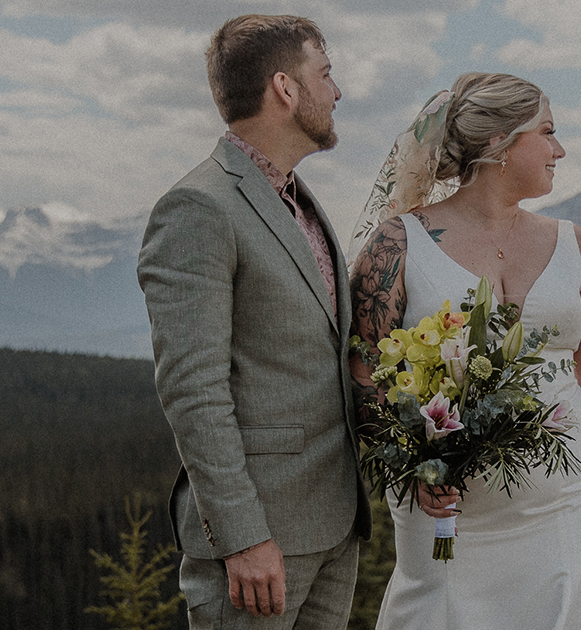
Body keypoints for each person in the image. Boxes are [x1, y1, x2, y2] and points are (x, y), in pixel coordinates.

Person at [348, 72, 581, 629]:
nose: (559, 149)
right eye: (546, 132)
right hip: (447, 515)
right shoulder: (398, 245)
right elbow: (363, 378)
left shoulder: (577, 245)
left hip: (571, 501)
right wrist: (419, 466)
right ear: (498, 143)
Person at [138, 14, 370, 629]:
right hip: (258, 546)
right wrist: (241, 537)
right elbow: (194, 390)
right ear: (285, 89)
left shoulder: (300, 200)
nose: (338, 92)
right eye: (326, 73)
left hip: (334, 528)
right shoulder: (198, 207)